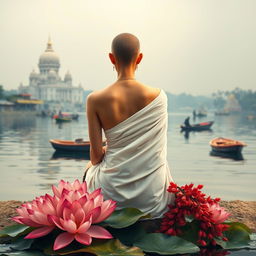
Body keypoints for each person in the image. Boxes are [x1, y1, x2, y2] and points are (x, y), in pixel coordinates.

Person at [84, 33, 174, 218]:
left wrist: (111, 147)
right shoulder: (159, 97)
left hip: (110, 196)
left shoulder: (95, 99)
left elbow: (95, 158)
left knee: (88, 168)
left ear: (111, 58)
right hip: (152, 197)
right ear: (140, 57)